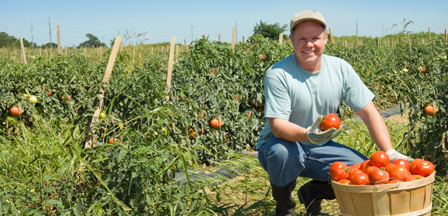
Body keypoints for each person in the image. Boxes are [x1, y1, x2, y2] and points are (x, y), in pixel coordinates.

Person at [256, 10, 413, 216]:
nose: (309, 44)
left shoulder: (340, 68)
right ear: (291, 40)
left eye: (315, 38)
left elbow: (368, 112)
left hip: (320, 146)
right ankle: (285, 207)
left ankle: (312, 193)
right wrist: (308, 135)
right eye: (302, 38)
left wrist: (389, 152)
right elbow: (278, 127)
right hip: (281, 144)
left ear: (326, 39)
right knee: (283, 153)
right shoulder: (278, 74)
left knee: (364, 173)